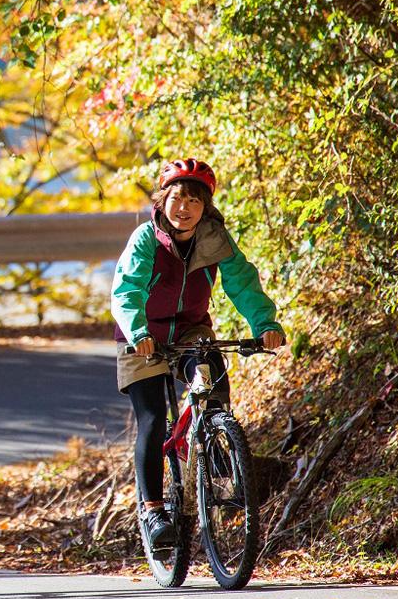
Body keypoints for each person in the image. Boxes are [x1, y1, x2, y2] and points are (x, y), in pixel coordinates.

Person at [111, 158, 285, 550]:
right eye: (176, 199)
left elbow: (242, 282)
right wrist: (139, 333)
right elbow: (127, 291)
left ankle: (217, 440)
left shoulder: (214, 238)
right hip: (141, 334)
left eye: (194, 201)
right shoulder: (146, 238)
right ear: (163, 201)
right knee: (153, 421)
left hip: (190, 330)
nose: (184, 208)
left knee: (211, 372)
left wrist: (265, 325)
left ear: (205, 207)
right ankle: (153, 510)